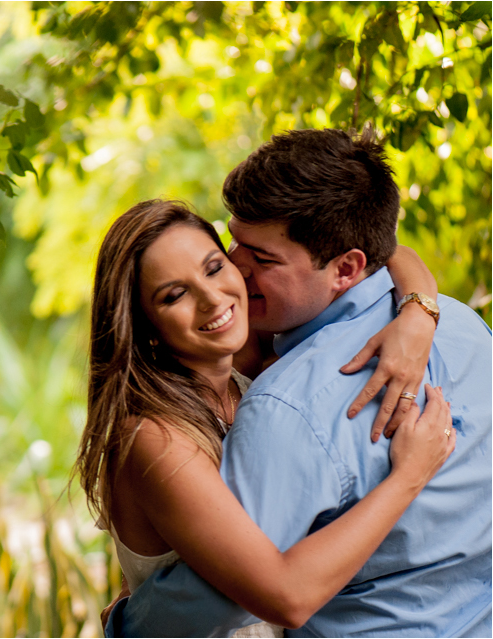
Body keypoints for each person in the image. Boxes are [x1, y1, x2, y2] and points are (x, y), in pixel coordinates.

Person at [104, 128, 492, 637]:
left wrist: (129, 627)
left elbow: (232, 601)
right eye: (235, 245)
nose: (236, 274)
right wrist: (420, 305)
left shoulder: (284, 404)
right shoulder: (464, 327)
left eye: (257, 259)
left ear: (347, 266)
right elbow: (260, 586)